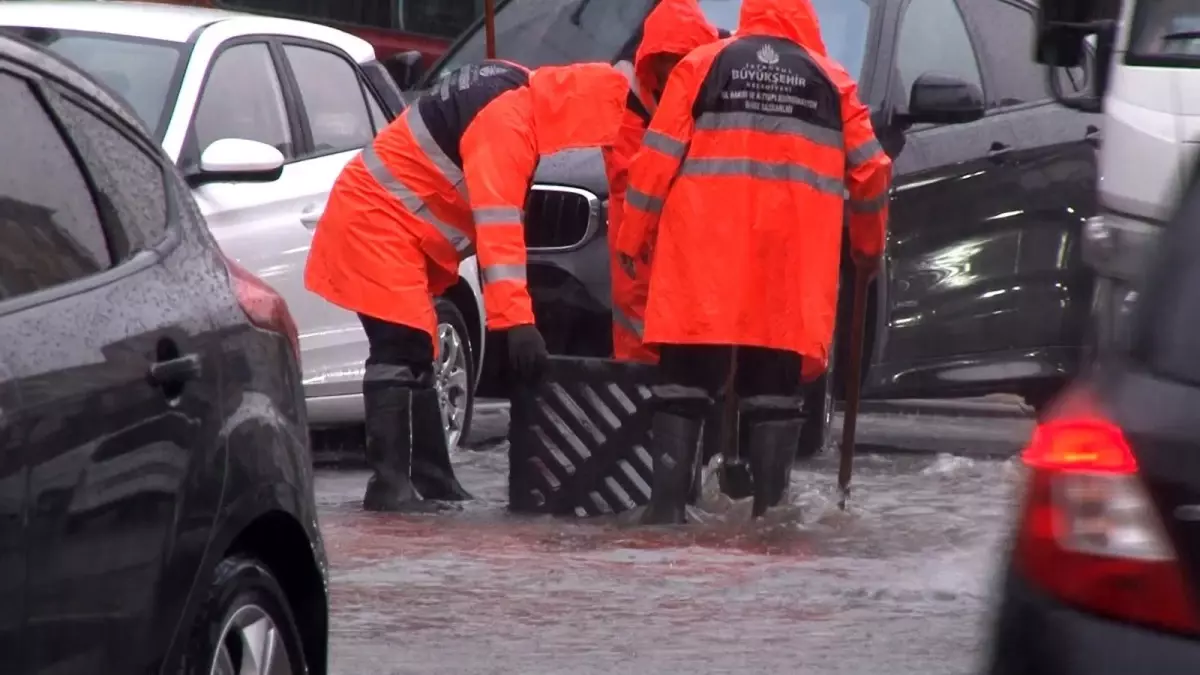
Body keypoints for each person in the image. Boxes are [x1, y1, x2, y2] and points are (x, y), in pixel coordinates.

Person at [305, 61, 630, 513]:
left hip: (384, 221)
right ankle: (389, 486)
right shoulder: (508, 127)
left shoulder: (519, 87)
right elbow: (499, 228)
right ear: (580, 116)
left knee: (419, 348)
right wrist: (516, 322)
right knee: (402, 345)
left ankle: (433, 481)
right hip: (375, 223)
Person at [616, 0, 893, 524]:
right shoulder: (832, 83)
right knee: (773, 392)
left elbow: (653, 161)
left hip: (702, 263)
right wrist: (867, 246)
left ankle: (667, 514)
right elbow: (872, 172)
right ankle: (770, 522)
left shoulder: (702, 66)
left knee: (683, 385)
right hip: (786, 271)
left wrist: (633, 237)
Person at [604, 0, 719, 364]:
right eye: (667, 62)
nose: (672, 72)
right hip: (639, 221)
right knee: (636, 304)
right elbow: (625, 174)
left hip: (693, 224)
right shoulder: (625, 91)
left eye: (680, 62)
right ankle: (639, 393)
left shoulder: (720, 80)